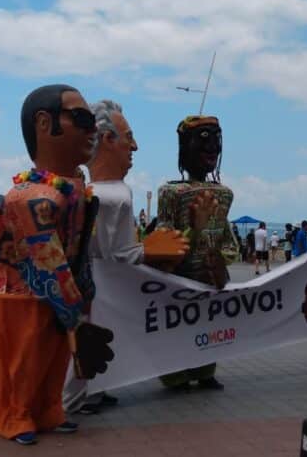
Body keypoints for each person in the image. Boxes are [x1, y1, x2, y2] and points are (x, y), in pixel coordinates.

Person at [0, 85, 113, 445]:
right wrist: (74, 306)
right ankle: (15, 414)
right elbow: (45, 256)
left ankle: (50, 407)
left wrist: (81, 290)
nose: (91, 130)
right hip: (17, 292)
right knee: (24, 359)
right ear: (44, 123)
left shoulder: (76, 189)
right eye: (81, 119)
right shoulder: (31, 195)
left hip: (60, 290)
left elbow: (79, 244)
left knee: (54, 358)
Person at [67, 98, 188, 414]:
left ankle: (93, 389)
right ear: (107, 140)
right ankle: (79, 398)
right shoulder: (112, 197)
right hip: (94, 288)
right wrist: (151, 249)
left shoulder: (98, 192)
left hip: (93, 289)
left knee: (93, 337)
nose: (134, 146)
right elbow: (116, 254)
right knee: (89, 338)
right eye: (128, 137)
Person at [155, 114, 238, 390]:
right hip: (178, 276)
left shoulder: (224, 194)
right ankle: (175, 374)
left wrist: (221, 258)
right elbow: (166, 238)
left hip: (208, 277)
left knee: (207, 326)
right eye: (203, 138)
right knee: (176, 326)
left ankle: (204, 370)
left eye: (216, 138)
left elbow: (227, 238)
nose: (212, 146)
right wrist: (194, 230)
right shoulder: (170, 193)